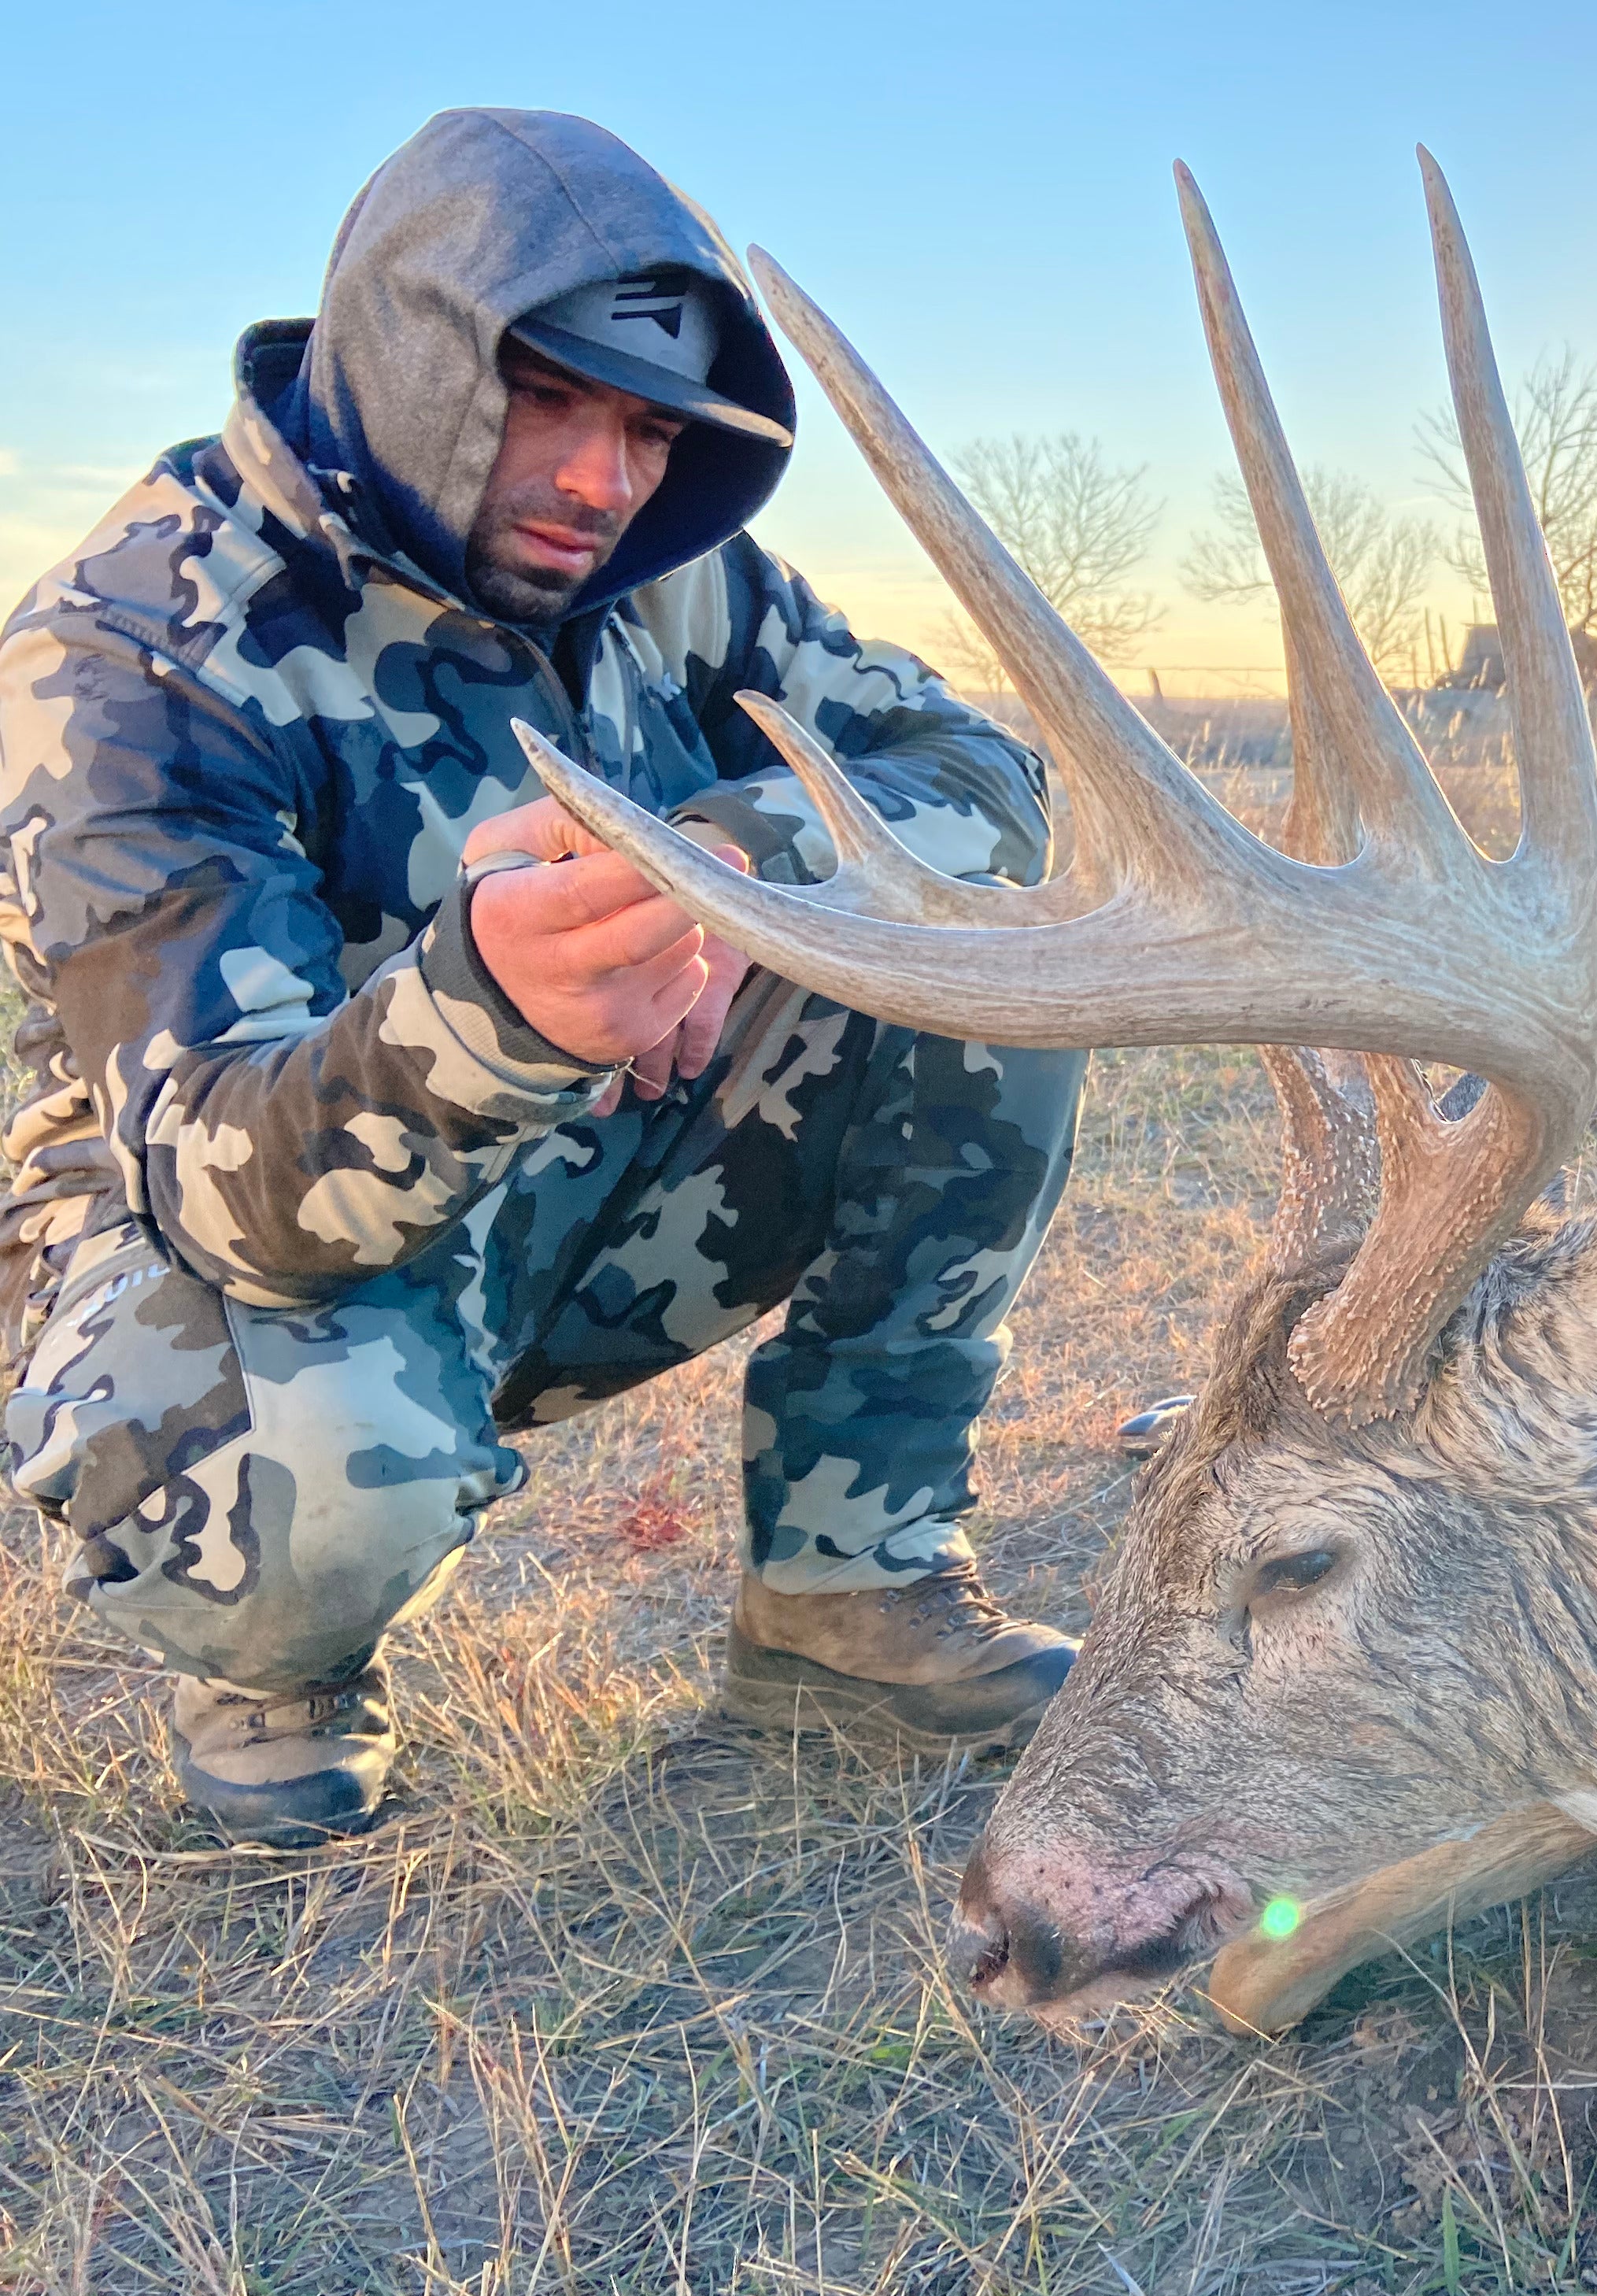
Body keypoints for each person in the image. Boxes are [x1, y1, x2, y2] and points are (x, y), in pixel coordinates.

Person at [0, 109, 1084, 1848]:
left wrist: (724, 874)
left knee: (984, 963)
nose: (604, 481)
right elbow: (221, 1183)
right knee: (330, 1476)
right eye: (547, 400)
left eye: (651, 427)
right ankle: (282, 1668)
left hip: (580, 1175)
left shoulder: (675, 583)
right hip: (239, 1250)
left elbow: (978, 774)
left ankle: (848, 1582)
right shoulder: (130, 654)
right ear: (408, 353)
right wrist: (497, 1015)